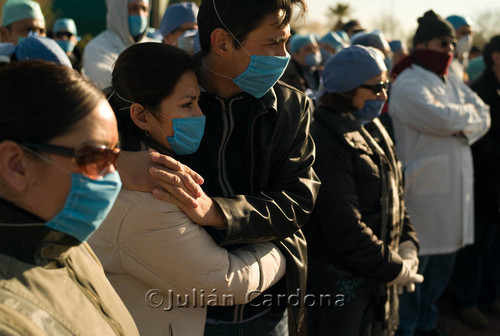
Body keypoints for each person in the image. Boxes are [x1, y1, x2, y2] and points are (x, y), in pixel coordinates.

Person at [115, 0, 320, 335]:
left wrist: (221, 214)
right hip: (176, 310)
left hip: (267, 307)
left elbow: (298, 199)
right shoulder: (162, 86)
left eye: (286, 40)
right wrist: (115, 162)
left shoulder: (291, 107)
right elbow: (68, 151)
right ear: (223, 42)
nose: (285, 54)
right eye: (273, 42)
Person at [88, 42, 286, 336]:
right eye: (186, 104)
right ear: (142, 116)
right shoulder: (147, 200)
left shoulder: (124, 165)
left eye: (198, 102)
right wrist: (282, 249)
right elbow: (224, 283)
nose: (199, 114)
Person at [0, 61, 139, 335]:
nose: (113, 175)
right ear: (16, 164)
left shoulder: (66, 243)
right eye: (96, 157)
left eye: (115, 156)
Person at [304, 45, 421, 336]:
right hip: (342, 289)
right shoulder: (327, 140)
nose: (384, 95)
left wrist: (407, 242)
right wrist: (394, 267)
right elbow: (343, 226)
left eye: (387, 84)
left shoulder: (373, 127)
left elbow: (394, 192)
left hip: (376, 276)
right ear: (346, 89)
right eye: (377, 87)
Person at [388, 10, 490, 336]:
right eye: (442, 42)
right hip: (423, 193)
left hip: (454, 192)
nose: (449, 49)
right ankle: (409, 327)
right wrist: (462, 122)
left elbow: (484, 113)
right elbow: (441, 118)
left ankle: (428, 322)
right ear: (421, 44)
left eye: (451, 43)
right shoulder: (408, 81)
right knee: (418, 268)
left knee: (443, 265)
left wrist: (458, 124)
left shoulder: (450, 77)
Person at [451, 35, 500, 329]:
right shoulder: (480, 90)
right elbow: (478, 140)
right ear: (496, 57)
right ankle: (466, 301)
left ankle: (489, 296)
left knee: (495, 246)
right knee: (477, 245)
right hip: (483, 183)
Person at [82, 0, 156, 89]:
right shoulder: (96, 48)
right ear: (118, 11)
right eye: (134, 8)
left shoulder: (155, 47)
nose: (140, 14)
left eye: (144, 9)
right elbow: (113, 85)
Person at [446, 15, 474, 82]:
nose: (467, 38)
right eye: (463, 33)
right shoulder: (443, 63)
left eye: (470, 34)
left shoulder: (462, 61)